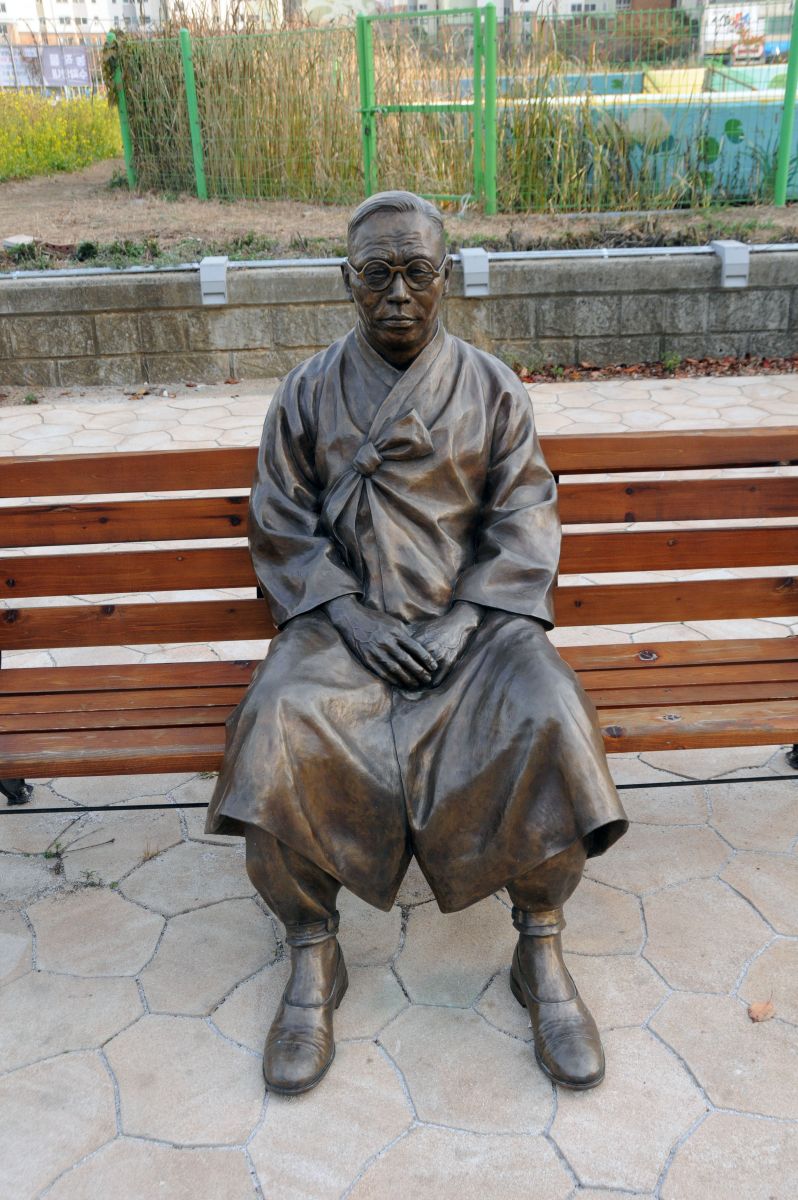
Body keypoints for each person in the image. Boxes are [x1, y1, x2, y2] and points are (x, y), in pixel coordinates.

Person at [206, 191, 627, 1096]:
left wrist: (466, 618)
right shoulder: (307, 391)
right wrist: (349, 614)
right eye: (376, 274)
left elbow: (524, 517)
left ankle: (540, 948)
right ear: (345, 280)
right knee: (273, 721)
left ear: (448, 276)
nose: (398, 294)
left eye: (417, 272)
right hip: (341, 627)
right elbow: (280, 522)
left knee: (553, 711)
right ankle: (313, 951)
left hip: (473, 626)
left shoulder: (492, 387)